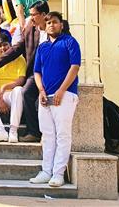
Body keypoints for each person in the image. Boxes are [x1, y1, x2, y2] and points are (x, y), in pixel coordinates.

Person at [0, 0, 50, 143]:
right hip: (36, 73)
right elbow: (18, 48)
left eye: (33, 15)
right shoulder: (30, 29)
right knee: (26, 92)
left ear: (44, 15)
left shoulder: (55, 29)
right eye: (30, 15)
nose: (31, 18)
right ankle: (33, 132)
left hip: (53, 73)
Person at [31, 12, 81, 188]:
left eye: (55, 22)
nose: (51, 25)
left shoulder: (70, 42)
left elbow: (75, 67)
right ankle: (46, 171)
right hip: (45, 96)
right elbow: (37, 72)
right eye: (48, 23)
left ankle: (58, 174)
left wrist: (61, 90)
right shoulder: (42, 47)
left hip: (65, 95)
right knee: (47, 135)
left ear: (61, 24)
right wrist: (41, 91)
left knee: (63, 135)